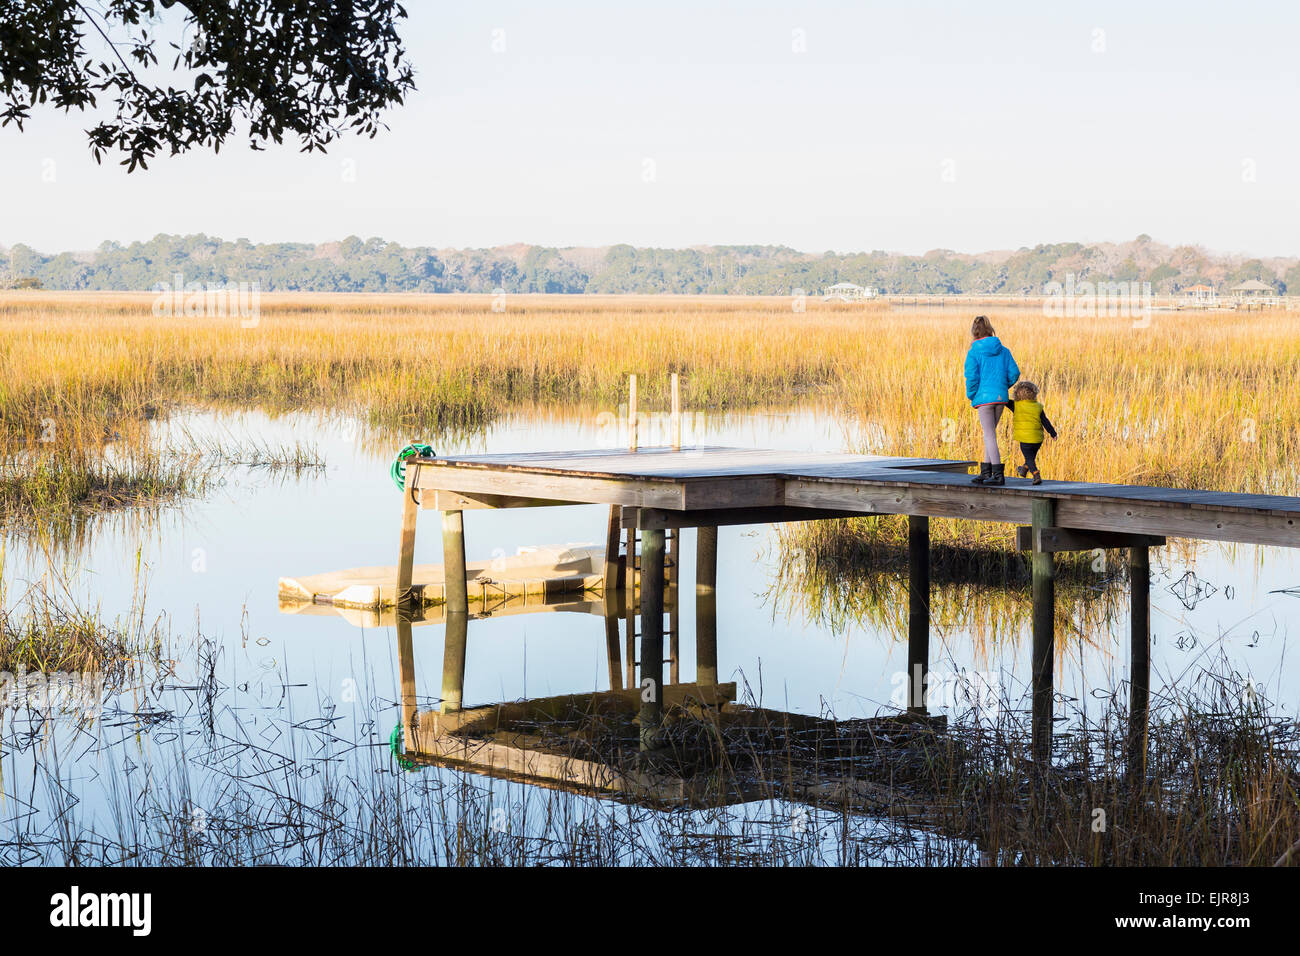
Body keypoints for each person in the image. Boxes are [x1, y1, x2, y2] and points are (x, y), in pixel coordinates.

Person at [963, 315, 1019, 485]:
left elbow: (971, 377)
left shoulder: (973, 352)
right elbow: (1014, 373)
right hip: (1001, 397)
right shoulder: (1004, 350)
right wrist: (1002, 387)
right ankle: (986, 472)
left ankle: (997, 475)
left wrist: (972, 394)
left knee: (989, 435)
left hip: (984, 398)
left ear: (975, 332)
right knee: (990, 435)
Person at [1004, 381, 1057, 484]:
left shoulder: (1015, 405)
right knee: (1030, 457)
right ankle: (1023, 469)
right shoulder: (1038, 407)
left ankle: (1036, 475)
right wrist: (1053, 433)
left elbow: (1004, 400)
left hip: (1025, 439)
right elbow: (1045, 421)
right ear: (1034, 393)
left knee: (1029, 458)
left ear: (1016, 394)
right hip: (1037, 439)